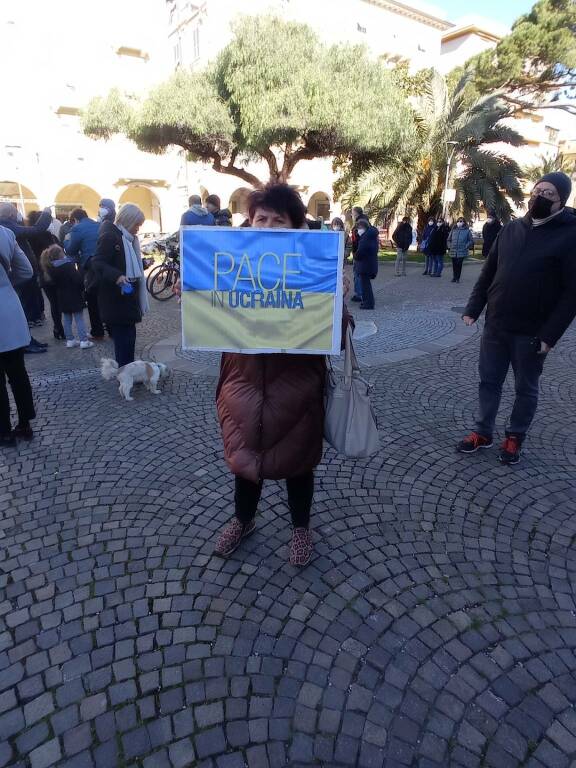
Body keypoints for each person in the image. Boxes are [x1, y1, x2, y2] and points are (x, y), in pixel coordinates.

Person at [211, 183, 351, 567]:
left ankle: (301, 528)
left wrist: (337, 304)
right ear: (249, 222)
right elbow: (213, 320)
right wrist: (195, 294)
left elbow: (336, 341)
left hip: (297, 388)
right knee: (245, 461)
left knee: (299, 463)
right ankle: (243, 520)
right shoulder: (229, 265)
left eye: (279, 219)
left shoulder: (315, 270)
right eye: (261, 219)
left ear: (295, 226)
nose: (269, 226)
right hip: (243, 383)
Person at [457, 172, 576, 465]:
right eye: (538, 190)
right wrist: (474, 308)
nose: (540, 197)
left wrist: (549, 336)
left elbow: (571, 294)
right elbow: (489, 272)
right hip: (496, 325)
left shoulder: (570, 236)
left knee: (526, 388)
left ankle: (515, 437)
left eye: (549, 194)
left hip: (532, 333)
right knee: (489, 382)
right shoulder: (510, 229)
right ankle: (483, 432)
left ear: (561, 202)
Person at [92, 204, 148, 366]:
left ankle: (128, 371)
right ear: (128, 221)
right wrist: (117, 276)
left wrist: (142, 264)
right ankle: (125, 375)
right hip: (116, 299)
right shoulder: (111, 236)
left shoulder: (125, 238)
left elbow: (125, 263)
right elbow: (97, 262)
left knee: (128, 340)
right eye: (137, 224)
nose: (138, 229)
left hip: (126, 298)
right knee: (124, 341)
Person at [0, 226, 37, 446]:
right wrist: (4, 286)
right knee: (18, 374)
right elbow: (26, 270)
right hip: (8, 309)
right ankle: (25, 424)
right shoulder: (4, 232)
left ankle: (3, 432)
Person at [0, 203, 51, 353]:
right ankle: (25, 343)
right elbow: (36, 230)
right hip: (17, 279)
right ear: (10, 215)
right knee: (22, 311)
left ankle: (27, 341)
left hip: (16, 278)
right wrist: (47, 213)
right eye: (16, 212)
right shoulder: (7, 228)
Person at [40, 244, 94, 350]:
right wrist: (82, 287)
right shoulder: (68, 266)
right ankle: (84, 340)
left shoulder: (51, 269)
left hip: (61, 297)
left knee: (67, 319)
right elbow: (78, 279)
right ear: (61, 254)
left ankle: (70, 340)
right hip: (74, 295)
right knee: (79, 319)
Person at [65, 208, 105, 340]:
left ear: (75, 219)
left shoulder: (77, 229)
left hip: (90, 268)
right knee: (106, 297)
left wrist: (66, 240)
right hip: (105, 265)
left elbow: (71, 249)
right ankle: (112, 329)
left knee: (92, 300)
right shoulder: (99, 225)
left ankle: (97, 331)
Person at [27, 211, 64, 340]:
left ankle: (58, 328)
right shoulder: (50, 237)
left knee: (54, 303)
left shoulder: (30, 238)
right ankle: (62, 328)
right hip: (56, 274)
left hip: (44, 275)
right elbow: (61, 251)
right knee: (58, 302)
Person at [354, 216, 379, 309]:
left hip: (365, 265)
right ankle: (366, 302)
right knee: (366, 285)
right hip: (369, 264)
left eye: (358, 229)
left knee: (366, 286)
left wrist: (356, 256)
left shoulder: (366, 238)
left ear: (362, 227)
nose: (358, 231)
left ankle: (368, 303)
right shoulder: (370, 235)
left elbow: (361, 251)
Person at [447, 217, 473, 283]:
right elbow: (448, 240)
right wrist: (450, 246)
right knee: (454, 264)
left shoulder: (467, 231)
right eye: (458, 221)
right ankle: (454, 277)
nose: (459, 222)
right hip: (453, 250)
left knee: (459, 264)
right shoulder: (453, 230)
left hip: (462, 250)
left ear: (464, 222)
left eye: (461, 221)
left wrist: (466, 246)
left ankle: (457, 277)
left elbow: (471, 240)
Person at [349, 206, 364, 302]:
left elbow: (358, 239)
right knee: (359, 274)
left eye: (352, 213)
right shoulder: (363, 221)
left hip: (358, 253)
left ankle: (359, 294)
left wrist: (356, 253)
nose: (351, 215)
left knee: (358, 273)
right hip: (358, 252)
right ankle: (360, 292)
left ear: (356, 214)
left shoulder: (360, 223)